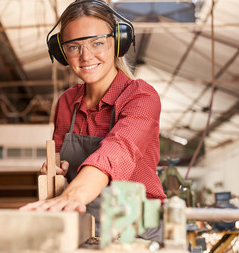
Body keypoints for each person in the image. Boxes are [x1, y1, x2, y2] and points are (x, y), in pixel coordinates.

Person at [20, 0, 166, 240]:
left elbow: (118, 150)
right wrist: (54, 171)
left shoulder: (141, 96)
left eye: (97, 43)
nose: (86, 56)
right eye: (74, 47)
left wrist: (73, 194)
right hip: (86, 227)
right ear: (61, 52)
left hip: (138, 229)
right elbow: (57, 159)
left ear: (117, 43)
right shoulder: (67, 102)